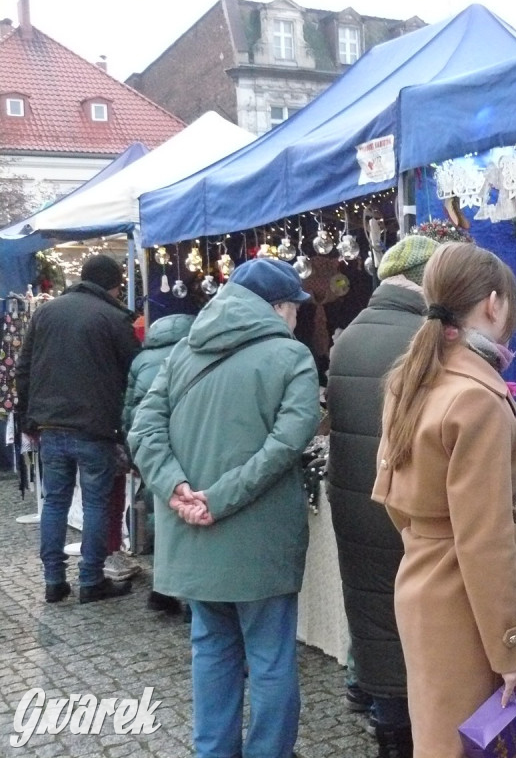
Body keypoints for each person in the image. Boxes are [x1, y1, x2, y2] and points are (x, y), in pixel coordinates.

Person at [128, 258, 320, 758]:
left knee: (211, 649)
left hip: (192, 536)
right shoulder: (291, 357)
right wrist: (219, 497)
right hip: (259, 539)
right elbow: (286, 445)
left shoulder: (181, 354)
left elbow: (143, 430)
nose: (297, 318)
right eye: (295, 308)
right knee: (271, 659)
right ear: (278, 307)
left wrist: (175, 489)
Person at [371, 241, 516, 758]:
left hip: (424, 581)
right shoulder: (477, 396)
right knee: (498, 740)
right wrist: (514, 652)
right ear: (493, 304)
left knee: (443, 739)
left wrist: (428, 539)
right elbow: (485, 539)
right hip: (471, 603)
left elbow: (390, 495)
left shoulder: (411, 379)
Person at [327, 234, 440, 758]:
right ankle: (412, 736)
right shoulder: (426, 338)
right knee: (419, 625)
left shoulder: (348, 337)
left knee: (373, 617)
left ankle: (387, 730)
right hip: (406, 503)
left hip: (354, 502)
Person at [15, 253, 140, 604]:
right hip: (94, 427)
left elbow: (23, 370)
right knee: (96, 505)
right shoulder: (114, 318)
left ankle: (54, 581)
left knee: (54, 502)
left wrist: (28, 418)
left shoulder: (45, 312)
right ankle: (91, 580)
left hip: (51, 425)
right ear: (114, 285)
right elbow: (134, 376)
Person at [121, 312, 195, 615]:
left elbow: (129, 411)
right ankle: (193, 601)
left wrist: (134, 454)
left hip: (153, 452)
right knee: (189, 526)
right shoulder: (191, 357)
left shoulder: (141, 360)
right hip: (186, 451)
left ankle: (161, 589)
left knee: (160, 519)